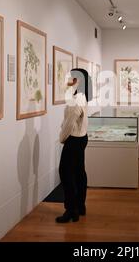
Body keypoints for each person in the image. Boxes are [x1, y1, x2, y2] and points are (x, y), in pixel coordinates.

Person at [56, 68, 92, 223]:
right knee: (79, 173)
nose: (68, 80)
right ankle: (80, 206)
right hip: (82, 138)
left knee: (65, 173)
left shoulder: (76, 98)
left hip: (74, 140)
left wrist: (62, 138)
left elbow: (69, 123)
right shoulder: (82, 96)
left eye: (70, 77)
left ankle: (71, 210)